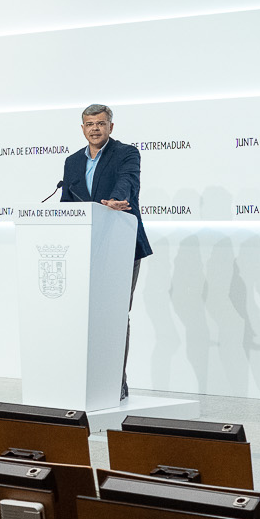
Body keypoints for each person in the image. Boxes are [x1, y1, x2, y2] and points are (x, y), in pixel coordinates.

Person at [58, 103, 153, 399]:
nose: (95, 128)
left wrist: (115, 200)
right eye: (89, 124)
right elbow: (66, 203)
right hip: (83, 249)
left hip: (120, 246)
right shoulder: (72, 162)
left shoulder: (126, 153)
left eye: (101, 123)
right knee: (83, 316)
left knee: (114, 315)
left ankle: (115, 382)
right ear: (82, 128)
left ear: (111, 126)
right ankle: (83, 378)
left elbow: (128, 183)